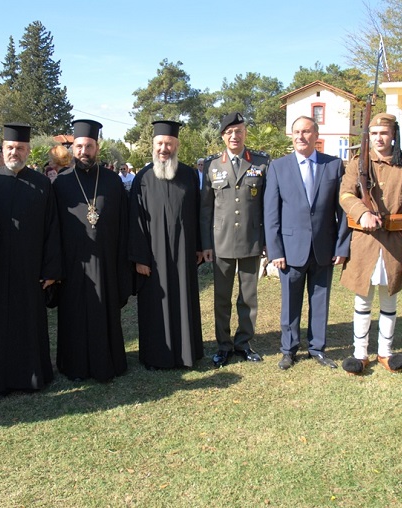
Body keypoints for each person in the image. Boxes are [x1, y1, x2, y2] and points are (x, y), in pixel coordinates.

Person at [338, 113, 402, 374]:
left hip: (395, 246)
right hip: (364, 243)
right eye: (374, 133)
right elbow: (345, 194)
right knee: (362, 300)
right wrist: (361, 212)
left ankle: (385, 352)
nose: (379, 138)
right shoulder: (357, 163)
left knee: (389, 300)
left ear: (393, 135)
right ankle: (360, 353)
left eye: (383, 133)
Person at [0, 123, 61, 394]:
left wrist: (51, 268)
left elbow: (52, 228)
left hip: (31, 268)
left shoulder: (41, 184)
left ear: (28, 150)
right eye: (10, 148)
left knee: (30, 322)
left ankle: (34, 376)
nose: (15, 152)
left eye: (21, 148)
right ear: (1, 151)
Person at [264, 116, 350, 370]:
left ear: (316, 135)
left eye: (306, 132)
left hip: (324, 247)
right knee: (290, 300)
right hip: (290, 250)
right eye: (296, 132)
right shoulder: (279, 167)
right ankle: (289, 349)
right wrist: (275, 250)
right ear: (291, 136)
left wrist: (342, 247)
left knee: (320, 299)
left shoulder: (333, 165)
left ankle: (317, 348)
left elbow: (343, 211)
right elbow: (271, 212)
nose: (300, 136)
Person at [53, 119, 130, 382]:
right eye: (79, 146)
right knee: (74, 315)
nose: (84, 151)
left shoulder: (112, 181)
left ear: (97, 148)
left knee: (105, 313)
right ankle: (74, 365)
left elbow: (124, 222)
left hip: (107, 260)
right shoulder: (60, 183)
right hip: (74, 263)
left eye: (89, 146)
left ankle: (109, 362)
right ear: (72, 149)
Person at [129, 120, 203, 369]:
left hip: (184, 254)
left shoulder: (190, 175)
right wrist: (139, 258)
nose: (164, 148)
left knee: (184, 300)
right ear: (153, 146)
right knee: (155, 306)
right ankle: (156, 356)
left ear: (176, 146)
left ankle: (186, 353)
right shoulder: (142, 178)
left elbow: (198, 214)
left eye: (168, 143)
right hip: (153, 258)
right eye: (160, 143)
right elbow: (135, 221)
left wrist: (199, 247)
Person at [200, 112, 270, 367]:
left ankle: (244, 343)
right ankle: (223, 345)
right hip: (221, 242)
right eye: (229, 132)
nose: (234, 136)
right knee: (221, 298)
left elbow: (267, 206)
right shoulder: (212, 166)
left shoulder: (261, 163)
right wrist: (206, 244)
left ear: (245, 133)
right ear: (222, 136)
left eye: (238, 131)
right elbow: (205, 209)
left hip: (251, 240)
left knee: (248, 297)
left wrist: (266, 241)